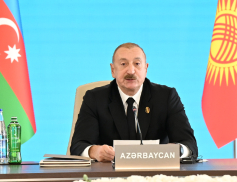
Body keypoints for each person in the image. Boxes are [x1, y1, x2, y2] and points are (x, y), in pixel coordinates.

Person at [70, 43, 199, 161]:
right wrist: (95, 151)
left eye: (137, 64)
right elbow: (78, 146)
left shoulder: (166, 97)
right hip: (108, 174)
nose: (131, 71)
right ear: (113, 70)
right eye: (123, 64)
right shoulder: (95, 98)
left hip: (157, 173)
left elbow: (189, 145)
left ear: (146, 69)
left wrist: (177, 150)